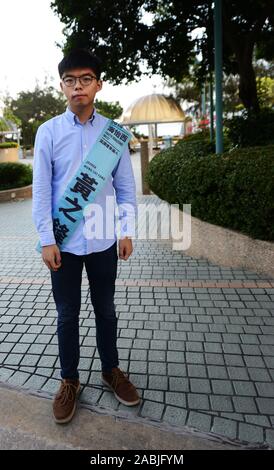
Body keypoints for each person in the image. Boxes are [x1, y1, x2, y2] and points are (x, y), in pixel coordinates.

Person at [32, 48, 140, 424]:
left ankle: (111, 370)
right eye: (70, 80)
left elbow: (126, 188)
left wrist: (126, 231)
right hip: (63, 243)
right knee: (67, 314)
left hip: (104, 241)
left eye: (85, 79)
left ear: (98, 84)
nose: (78, 86)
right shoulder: (48, 133)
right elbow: (42, 191)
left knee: (106, 310)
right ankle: (69, 381)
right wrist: (47, 238)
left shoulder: (113, 134)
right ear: (62, 86)